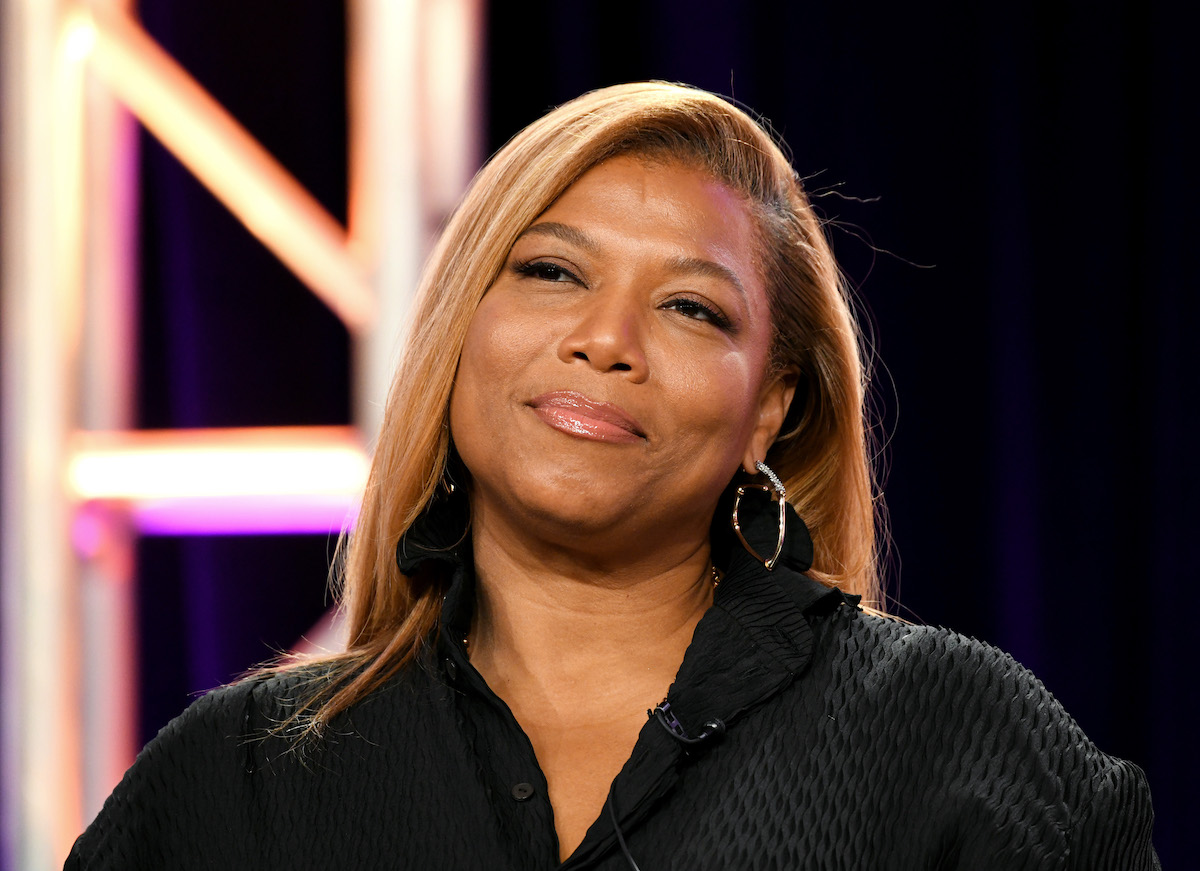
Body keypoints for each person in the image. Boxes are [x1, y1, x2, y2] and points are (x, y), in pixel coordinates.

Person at [66, 82, 1158, 869]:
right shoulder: (237, 783)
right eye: (550, 271)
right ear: (459, 336)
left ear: (768, 411)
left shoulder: (955, 738)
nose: (606, 339)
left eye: (691, 307)